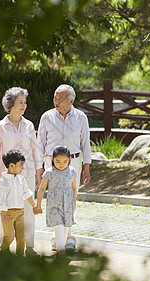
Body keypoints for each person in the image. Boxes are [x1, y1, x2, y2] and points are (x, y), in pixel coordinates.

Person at [37, 84, 92, 251]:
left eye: (60, 98)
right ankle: (58, 236)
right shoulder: (47, 117)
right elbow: (40, 144)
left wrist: (87, 167)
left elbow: (86, 143)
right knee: (54, 199)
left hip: (73, 163)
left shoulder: (81, 117)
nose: (56, 101)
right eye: (55, 97)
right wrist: (40, 167)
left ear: (71, 101)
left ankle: (68, 237)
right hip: (51, 165)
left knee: (70, 199)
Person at [0, 87, 42, 256]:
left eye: (25, 102)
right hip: (7, 177)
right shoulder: (0, 127)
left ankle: (29, 246)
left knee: (27, 211)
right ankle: (4, 245)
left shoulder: (29, 125)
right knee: (5, 209)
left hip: (26, 174)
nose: (24, 106)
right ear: (10, 104)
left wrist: (38, 170)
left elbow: (35, 150)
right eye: (20, 102)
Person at [35, 146, 77, 256]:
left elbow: (74, 187)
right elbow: (42, 188)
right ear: (52, 159)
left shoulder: (72, 172)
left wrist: (74, 202)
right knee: (58, 226)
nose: (61, 164)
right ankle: (62, 253)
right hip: (53, 205)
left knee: (65, 229)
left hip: (67, 205)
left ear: (69, 160)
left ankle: (60, 250)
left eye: (65, 161)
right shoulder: (49, 172)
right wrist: (38, 205)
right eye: (58, 161)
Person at [0, 150, 37, 256]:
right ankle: (3, 251)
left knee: (21, 237)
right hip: (8, 214)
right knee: (9, 236)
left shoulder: (21, 179)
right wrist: (3, 214)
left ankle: (19, 258)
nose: (22, 168)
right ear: (11, 165)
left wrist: (35, 205)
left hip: (20, 212)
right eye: (21, 165)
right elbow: (1, 199)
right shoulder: (3, 181)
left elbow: (26, 194)